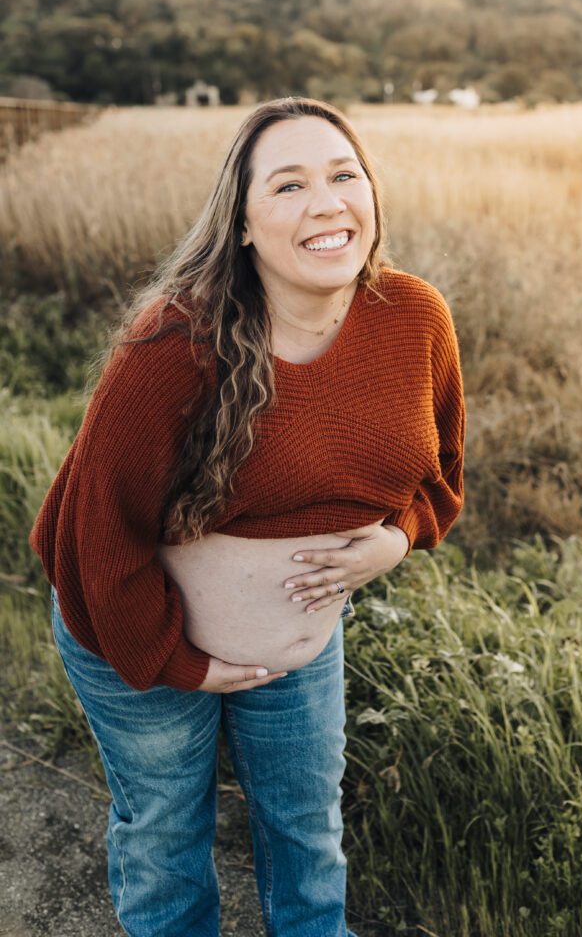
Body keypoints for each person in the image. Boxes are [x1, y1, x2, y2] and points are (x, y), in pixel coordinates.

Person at [29, 95, 466, 937]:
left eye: (344, 175)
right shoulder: (173, 345)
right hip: (132, 638)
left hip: (298, 640)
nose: (327, 202)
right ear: (241, 223)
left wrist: (396, 538)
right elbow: (94, 534)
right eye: (289, 185)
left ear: (371, 192)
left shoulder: (414, 317)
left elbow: (441, 471)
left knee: (308, 835)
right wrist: (174, 659)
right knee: (165, 840)